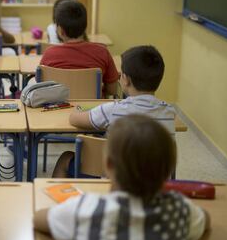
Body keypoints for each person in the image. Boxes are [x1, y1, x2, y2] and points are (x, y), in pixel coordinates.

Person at [35, 114, 210, 240]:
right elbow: (206, 220)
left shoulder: (87, 209)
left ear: (108, 165)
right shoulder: (180, 210)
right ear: (168, 172)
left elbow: (38, 219)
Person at [53, 45, 176, 178]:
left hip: (117, 180)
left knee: (65, 158)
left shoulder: (113, 110)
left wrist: (78, 109)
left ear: (126, 79)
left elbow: (74, 119)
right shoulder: (169, 112)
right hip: (156, 181)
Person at [40, 0, 118, 97]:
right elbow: (113, 90)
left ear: (60, 31)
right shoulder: (102, 52)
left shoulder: (49, 54)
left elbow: (42, 87)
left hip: (57, 109)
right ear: (85, 26)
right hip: (92, 110)